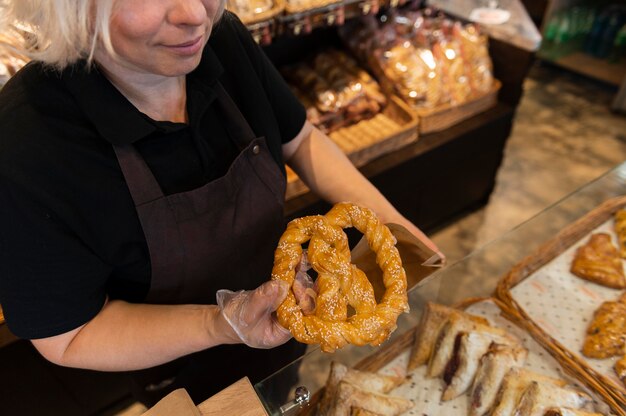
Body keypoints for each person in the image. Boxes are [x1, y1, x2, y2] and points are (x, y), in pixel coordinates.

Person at [0, 0, 443, 407]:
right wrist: (222, 323)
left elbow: (300, 138)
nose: (195, 14)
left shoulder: (221, 38)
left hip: (291, 328)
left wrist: (392, 223)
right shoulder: (28, 143)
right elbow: (69, 337)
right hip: (182, 378)